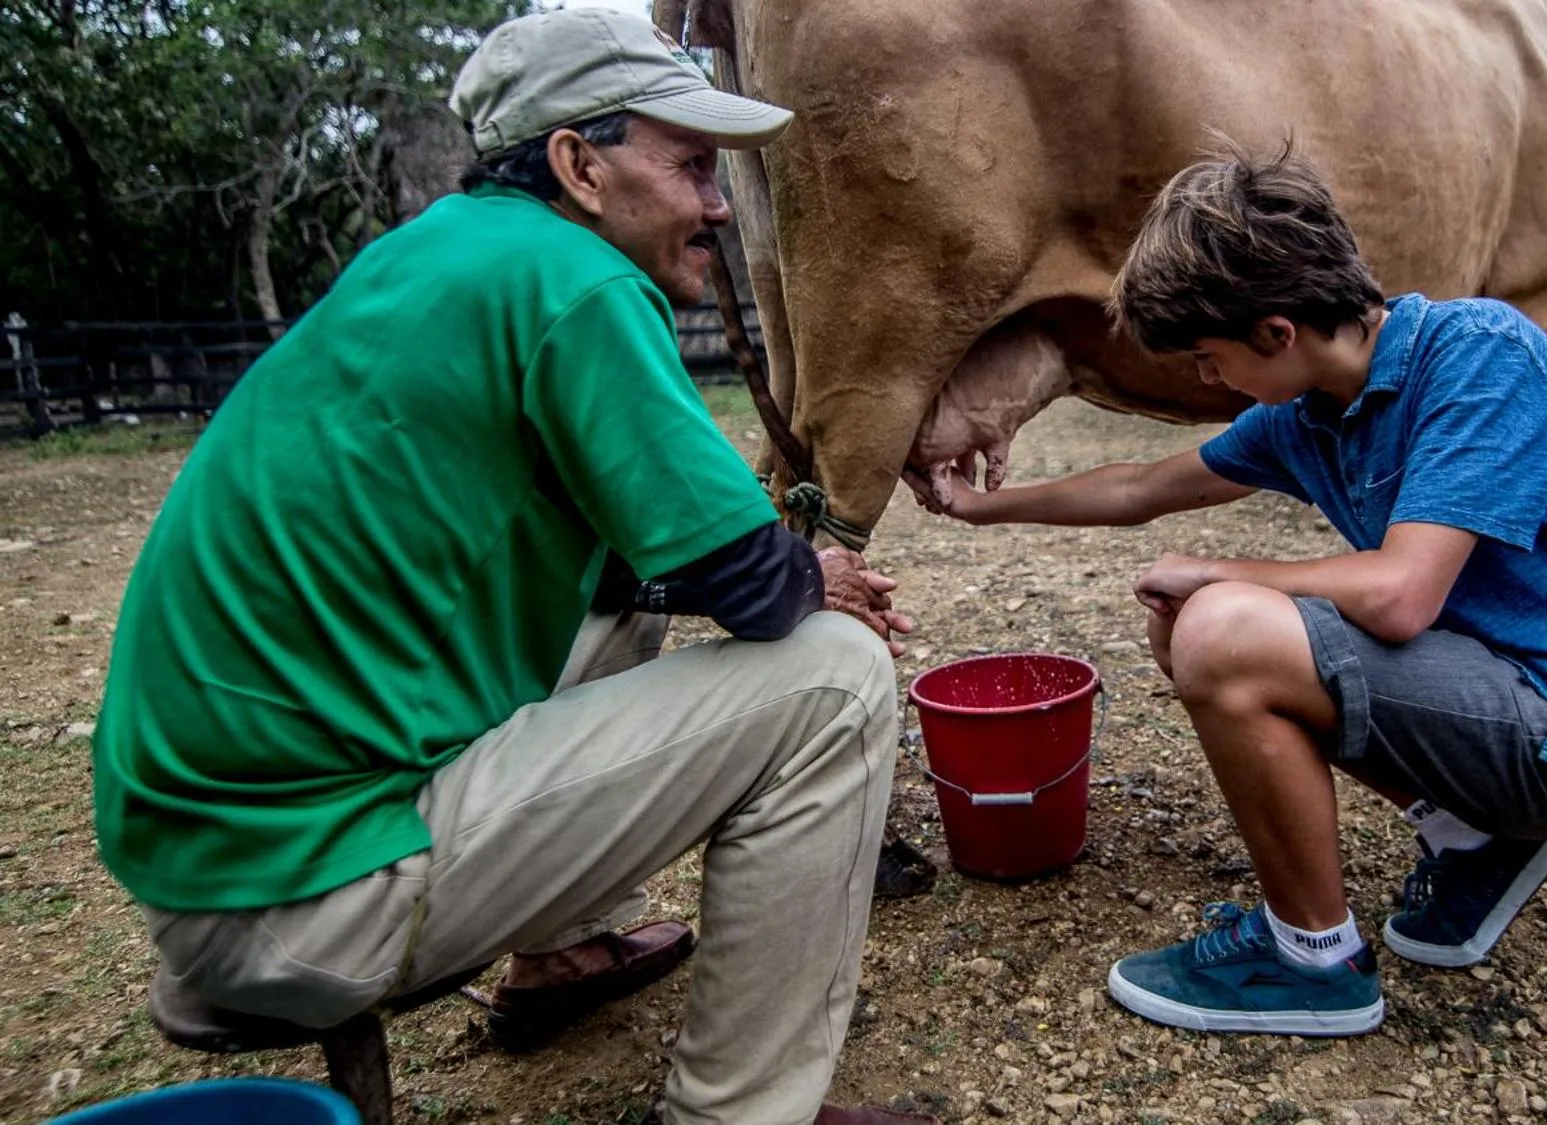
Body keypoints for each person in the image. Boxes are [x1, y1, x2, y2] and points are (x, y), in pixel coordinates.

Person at [92, 10, 931, 1123]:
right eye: (689, 165)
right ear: (579, 165)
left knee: (615, 603)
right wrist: (812, 577)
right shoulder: (575, 281)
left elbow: (649, 568)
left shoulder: (434, 253)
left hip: (212, 876)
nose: (717, 204)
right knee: (830, 678)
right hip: (316, 889)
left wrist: (774, 574)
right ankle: (741, 1112)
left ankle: (563, 955)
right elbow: (758, 586)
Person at [908, 144, 1547, 1036]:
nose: (1208, 381)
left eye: (1209, 357)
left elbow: (1400, 596)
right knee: (1192, 624)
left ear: (1276, 333)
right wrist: (981, 507)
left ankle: (1311, 961)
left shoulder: (1481, 360)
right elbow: (1138, 488)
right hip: (1498, 685)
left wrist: (1221, 571)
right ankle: (1475, 837)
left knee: (1222, 630)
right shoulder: (1309, 410)